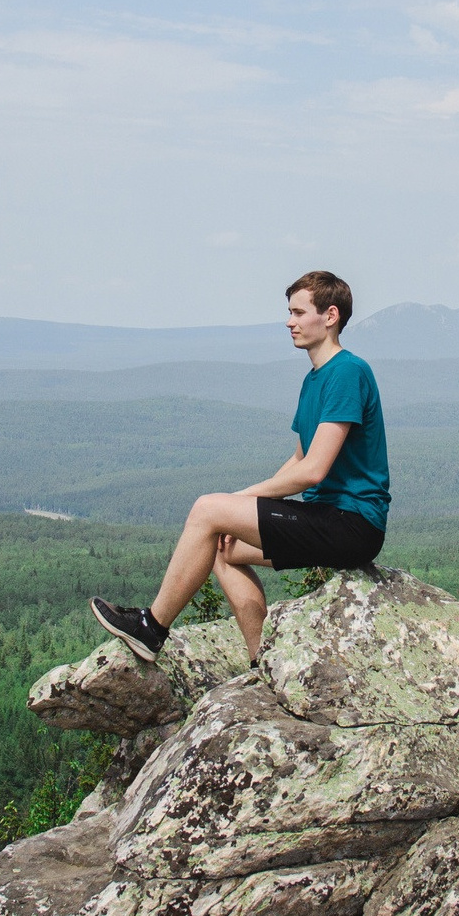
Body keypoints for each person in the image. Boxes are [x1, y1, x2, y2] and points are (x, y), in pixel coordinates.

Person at [90, 270, 390, 666]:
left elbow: (313, 471)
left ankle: (152, 627)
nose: (290, 321)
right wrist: (240, 503)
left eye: (299, 313)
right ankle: (259, 661)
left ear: (330, 315)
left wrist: (238, 499)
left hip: (352, 523)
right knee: (220, 546)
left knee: (207, 510)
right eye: (290, 312)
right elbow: (300, 457)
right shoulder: (315, 378)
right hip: (327, 516)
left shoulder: (348, 372)